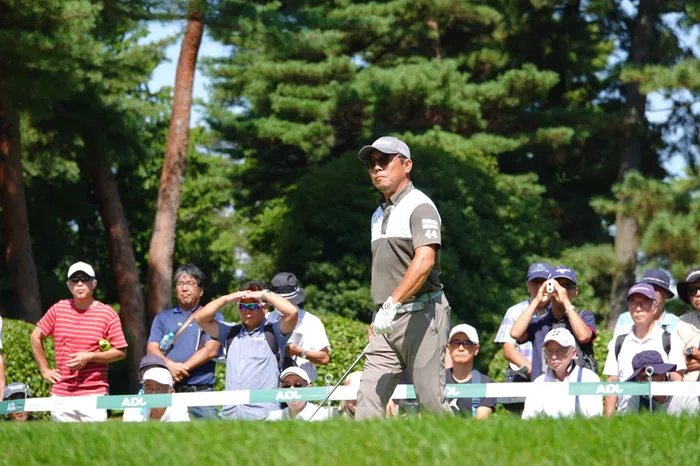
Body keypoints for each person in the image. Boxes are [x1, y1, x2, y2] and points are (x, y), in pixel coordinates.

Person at [355, 136, 451, 419]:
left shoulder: (420, 205)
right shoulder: (377, 214)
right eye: (371, 164)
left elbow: (425, 261)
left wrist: (392, 303)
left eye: (384, 161)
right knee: (367, 402)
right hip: (386, 321)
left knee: (431, 403)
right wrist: (381, 312)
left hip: (422, 315)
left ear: (407, 165)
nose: (377, 168)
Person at [29, 261, 128, 422]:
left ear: (94, 284)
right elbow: (35, 337)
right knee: (61, 439)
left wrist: (90, 357)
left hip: (94, 393)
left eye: (85, 279)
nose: (80, 283)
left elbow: (121, 352)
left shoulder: (107, 314)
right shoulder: (58, 309)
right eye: (75, 280)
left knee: (94, 438)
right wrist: (45, 370)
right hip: (61, 392)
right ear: (69, 285)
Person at [195, 281, 298, 420]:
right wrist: (228, 298)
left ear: (265, 307)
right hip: (230, 416)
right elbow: (200, 318)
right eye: (242, 306)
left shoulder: (274, 332)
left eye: (253, 306)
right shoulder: (230, 332)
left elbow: (292, 312)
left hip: (264, 416)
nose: (247, 311)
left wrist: (264, 294)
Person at [147, 264, 222, 419]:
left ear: (201, 291)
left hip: (201, 393)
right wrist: (170, 366)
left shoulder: (213, 316)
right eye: (180, 283)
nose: (185, 288)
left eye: (190, 283)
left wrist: (180, 369)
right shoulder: (162, 318)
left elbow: (211, 350)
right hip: (168, 392)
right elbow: (151, 349)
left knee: (212, 433)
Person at [602, 283, 685, 416]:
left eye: (644, 302)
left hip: (663, 418)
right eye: (633, 303)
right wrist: (608, 421)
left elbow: (677, 381)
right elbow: (612, 382)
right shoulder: (618, 342)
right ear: (629, 308)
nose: (638, 308)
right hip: (627, 418)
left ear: (654, 307)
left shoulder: (670, 339)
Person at [511, 266, 597, 380]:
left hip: (577, 384)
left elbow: (583, 337)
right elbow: (515, 334)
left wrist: (566, 301)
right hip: (545, 385)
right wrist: (537, 300)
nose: (561, 290)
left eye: (567, 286)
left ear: (575, 292)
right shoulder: (541, 322)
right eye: (557, 285)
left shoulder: (583, 316)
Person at [494, 262, 552, 412]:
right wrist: (534, 372)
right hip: (522, 376)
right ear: (527, 286)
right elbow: (509, 350)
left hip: (555, 378)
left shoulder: (560, 311)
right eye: (535, 282)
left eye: (543, 282)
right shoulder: (514, 311)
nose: (539, 286)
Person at [522, 328, 602, 419]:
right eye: (549, 351)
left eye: (560, 350)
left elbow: (594, 418)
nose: (554, 356)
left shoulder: (588, 378)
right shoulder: (539, 382)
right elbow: (528, 419)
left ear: (573, 353)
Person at [267, 272, 331, 382]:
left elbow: (324, 358)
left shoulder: (311, 322)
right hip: (270, 387)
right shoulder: (266, 320)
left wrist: (299, 352)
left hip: (303, 388)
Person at [623, 350, 700, 415]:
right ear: (637, 379)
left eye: (653, 375)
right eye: (643, 378)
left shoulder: (685, 394)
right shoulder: (635, 399)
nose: (649, 381)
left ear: (663, 373)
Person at [446, 324, 497, 419]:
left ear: (476, 349)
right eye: (455, 342)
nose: (461, 348)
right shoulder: (436, 381)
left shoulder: (486, 384)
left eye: (467, 343)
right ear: (449, 348)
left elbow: (481, 421)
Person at [613, 269, 679, 335]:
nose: (650, 292)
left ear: (666, 295)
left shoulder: (677, 324)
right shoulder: (625, 319)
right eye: (645, 289)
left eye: (655, 289)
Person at [123, 361, 190, 422]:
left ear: (171, 392)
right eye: (148, 388)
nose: (153, 393)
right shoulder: (133, 409)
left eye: (158, 388)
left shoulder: (179, 411)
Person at [265, 367, 334, 421]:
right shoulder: (274, 418)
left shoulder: (323, 416)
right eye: (286, 386)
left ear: (309, 388)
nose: (292, 389)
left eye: (298, 385)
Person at [675, 267, 700, 382]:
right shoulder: (683, 322)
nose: (698, 293)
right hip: (688, 390)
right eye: (692, 290)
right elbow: (676, 364)